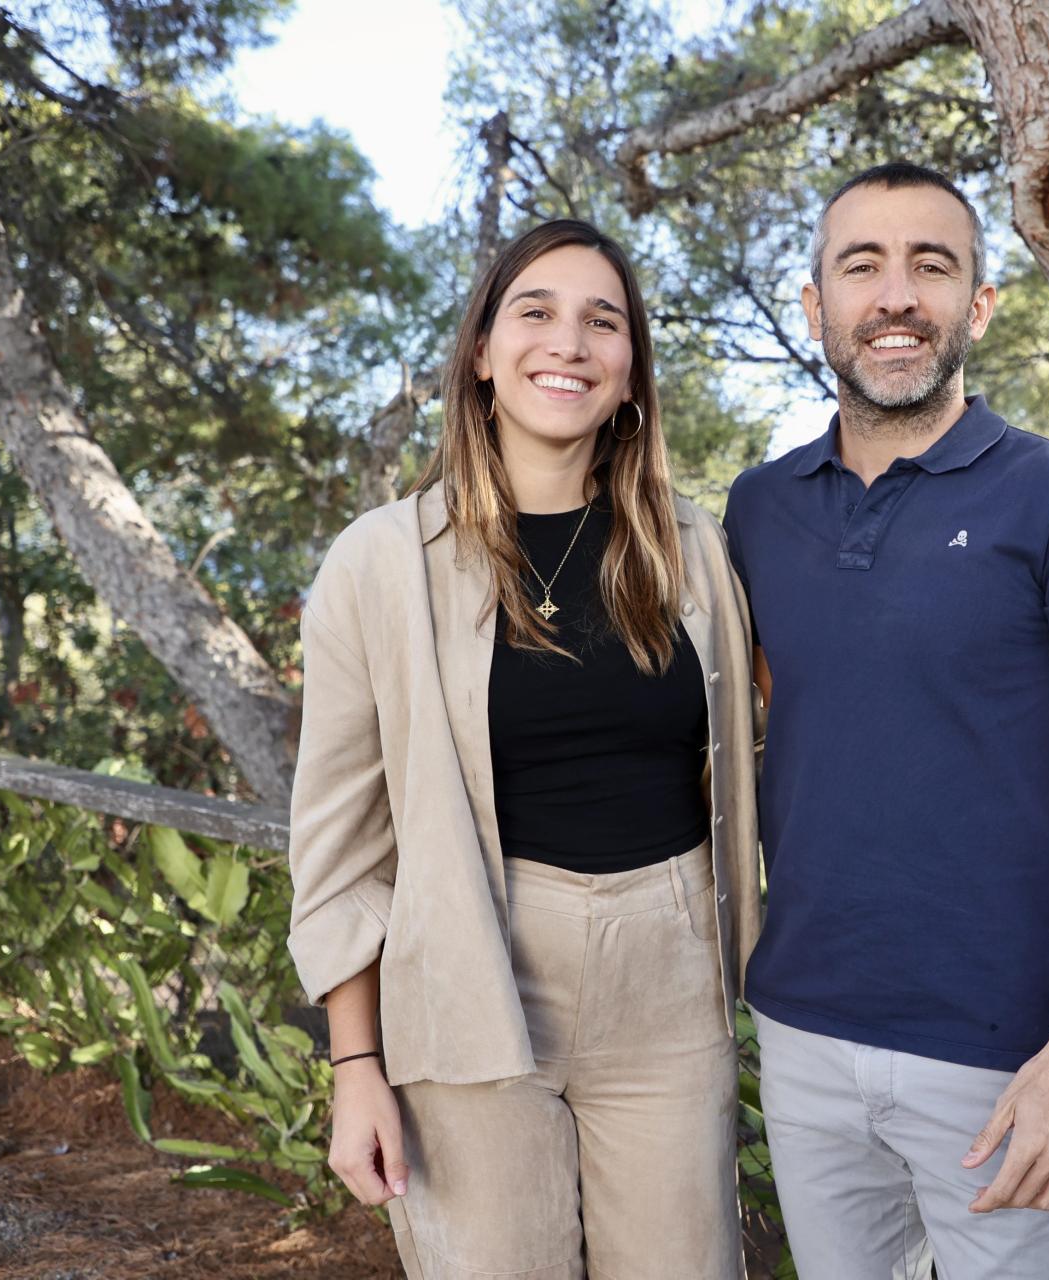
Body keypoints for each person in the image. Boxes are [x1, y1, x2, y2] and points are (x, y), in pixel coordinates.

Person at [723, 162, 1049, 1279]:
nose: (895, 296)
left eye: (930, 266)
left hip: (1002, 1056)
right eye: (861, 266)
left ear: (977, 306)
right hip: (800, 1028)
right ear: (816, 306)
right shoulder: (757, 509)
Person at [285, 218, 760, 1280]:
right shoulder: (381, 563)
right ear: (480, 354)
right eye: (535, 312)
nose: (569, 343)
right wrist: (355, 1065)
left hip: (670, 979)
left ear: (630, 370)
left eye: (603, 321)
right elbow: (339, 847)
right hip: (467, 975)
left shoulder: (693, 550)